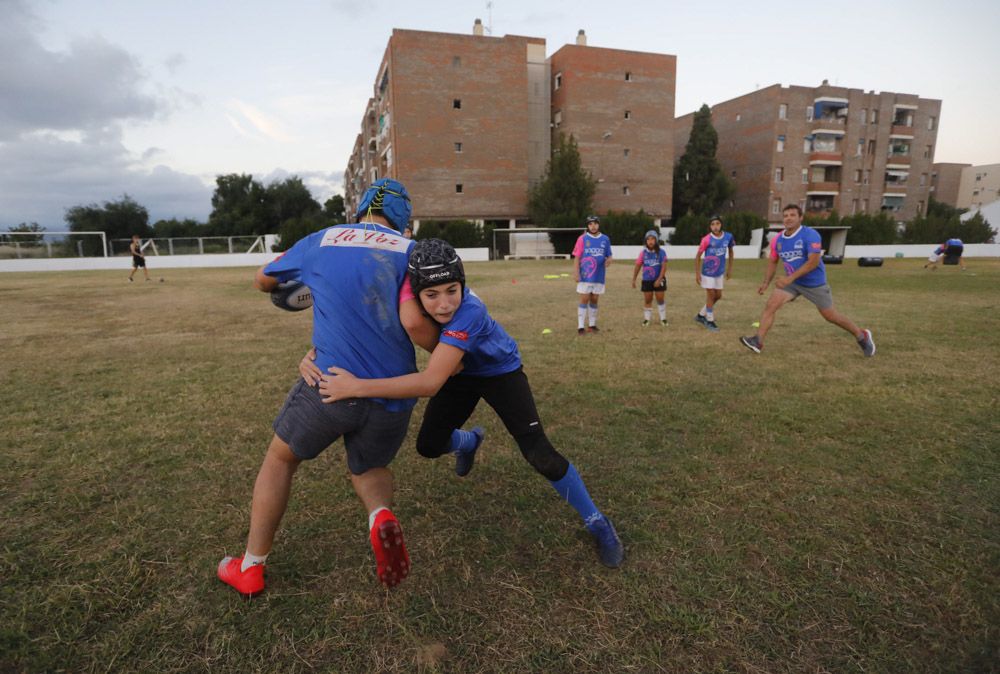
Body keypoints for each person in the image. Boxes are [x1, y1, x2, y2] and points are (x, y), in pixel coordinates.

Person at [317, 239, 625, 568]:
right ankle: (469, 441)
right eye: (432, 295)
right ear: (417, 292)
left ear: (463, 284)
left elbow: (430, 382)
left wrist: (356, 387)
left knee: (540, 455)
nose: (445, 304)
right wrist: (313, 354)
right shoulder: (411, 300)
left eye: (452, 290)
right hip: (458, 373)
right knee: (428, 446)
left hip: (498, 372)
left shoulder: (471, 311)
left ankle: (598, 522)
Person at [217, 178, 424, 597]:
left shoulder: (323, 240)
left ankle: (251, 566)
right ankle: (380, 515)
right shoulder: (413, 252)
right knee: (369, 467)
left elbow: (263, 280)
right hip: (393, 392)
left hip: (329, 385)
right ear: (404, 217)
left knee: (279, 460)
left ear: (362, 208)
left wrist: (308, 284)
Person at [740, 204, 876, 357]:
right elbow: (773, 261)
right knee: (771, 305)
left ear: (800, 217)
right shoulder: (778, 239)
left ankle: (861, 335)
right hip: (793, 283)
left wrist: (789, 278)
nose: (788, 218)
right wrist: (766, 283)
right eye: (785, 215)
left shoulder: (810, 235)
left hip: (814, 283)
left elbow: (814, 262)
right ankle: (758, 341)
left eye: (792, 215)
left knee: (830, 316)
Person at [693, 215, 735, 332]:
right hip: (708, 272)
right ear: (710, 227)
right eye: (712, 224)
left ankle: (701, 315)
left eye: (717, 223)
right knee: (711, 295)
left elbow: (731, 252)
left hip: (719, 272)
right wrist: (697, 274)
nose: (715, 226)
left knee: (718, 296)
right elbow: (697, 257)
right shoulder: (706, 239)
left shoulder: (728, 237)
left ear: (721, 224)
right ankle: (709, 320)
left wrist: (730, 269)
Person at [573, 215, 612, 335]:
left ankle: (592, 325)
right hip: (586, 274)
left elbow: (609, 254)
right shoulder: (583, 238)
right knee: (584, 298)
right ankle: (580, 327)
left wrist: (609, 259)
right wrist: (576, 272)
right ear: (588, 226)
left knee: (594, 299)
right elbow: (577, 256)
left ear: (598, 224)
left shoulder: (605, 239)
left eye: (595, 223)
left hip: (599, 274)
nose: (593, 226)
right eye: (590, 224)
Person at [630, 229, 668, 326]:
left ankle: (663, 319)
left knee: (660, 299)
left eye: (652, 239)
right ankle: (647, 319)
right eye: (648, 239)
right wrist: (634, 279)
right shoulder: (643, 253)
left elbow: (664, 267)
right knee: (648, 299)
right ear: (646, 241)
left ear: (656, 240)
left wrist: (659, 279)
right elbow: (638, 266)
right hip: (647, 280)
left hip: (659, 279)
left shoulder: (661, 252)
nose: (650, 241)